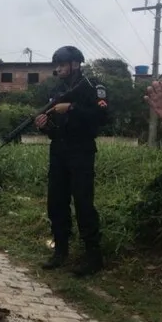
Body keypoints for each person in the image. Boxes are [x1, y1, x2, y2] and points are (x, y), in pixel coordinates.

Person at [34, 45, 109, 277]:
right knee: (56, 202)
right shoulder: (57, 90)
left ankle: (93, 256)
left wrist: (72, 108)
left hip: (82, 151)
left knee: (83, 203)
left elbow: (104, 116)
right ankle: (61, 251)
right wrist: (45, 126)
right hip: (59, 150)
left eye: (62, 65)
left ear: (75, 64)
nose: (59, 69)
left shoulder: (92, 86)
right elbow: (55, 127)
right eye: (57, 65)